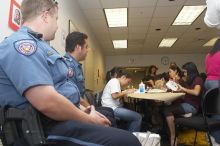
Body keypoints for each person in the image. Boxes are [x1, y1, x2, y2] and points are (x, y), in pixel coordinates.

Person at [0, 0, 141, 145]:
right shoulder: (22, 45)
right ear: (46, 16)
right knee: (129, 141)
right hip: (43, 128)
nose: (56, 25)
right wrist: (88, 118)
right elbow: (47, 102)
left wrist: (85, 111)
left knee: (109, 120)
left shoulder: (41, 46)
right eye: (56, 19)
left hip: (59, 119)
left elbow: (62, 91)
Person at [64, 31, 117, 127]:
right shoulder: (67, 66)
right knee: (107, 116)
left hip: (79, 106)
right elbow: (73, 97)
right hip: (75, 110)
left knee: (109, 111)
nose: (88, 50)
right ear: (78, 48)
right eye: (86, 47)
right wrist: (91, 109)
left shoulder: (76, 65)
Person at [164, 62, 203, 146]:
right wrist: (180, 90)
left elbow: (196, 92)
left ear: (191, 71)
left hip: (192, 106)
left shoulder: (198, 79)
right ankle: (183, 117)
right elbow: (187, 92)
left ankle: (173, 137)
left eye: (185, 72)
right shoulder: (190, 80)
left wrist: (183, 89)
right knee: (168, 109)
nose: (184, 74)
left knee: (167, 110)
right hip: (187, 103)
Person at [204, 38, 220, 145]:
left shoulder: (208, 55)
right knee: (218, 115)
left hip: (208, 82)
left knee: (214, 113)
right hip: (216, 83)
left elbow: (207, 70)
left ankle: (214, 138)